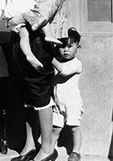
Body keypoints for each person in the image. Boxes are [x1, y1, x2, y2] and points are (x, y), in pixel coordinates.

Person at [1, 0, 68, 161]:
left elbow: (43, 10)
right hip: (31, 37)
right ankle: (31, 145)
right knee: (27, 92)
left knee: (39, 93)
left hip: (42, 40)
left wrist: (16, 18)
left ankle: (48, 148)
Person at [3, 0, 62, 71]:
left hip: (16, 23)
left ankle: (29, 55)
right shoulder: (26, 0)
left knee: (24, 37)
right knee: (43, 20)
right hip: (37, 43)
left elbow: (11, 21)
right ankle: (49, 35)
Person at [51, 27, 83, 161]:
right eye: (62, 46)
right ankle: (49, 149)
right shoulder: (58, 62)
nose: (66, 50)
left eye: (70, 46)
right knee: (55, 128)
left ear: (78, 47)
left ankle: (75, 152)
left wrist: (50, 58)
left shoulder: (76, 64)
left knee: (74, 127)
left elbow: (64, 71)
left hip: (72, 102)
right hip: (58, 102)